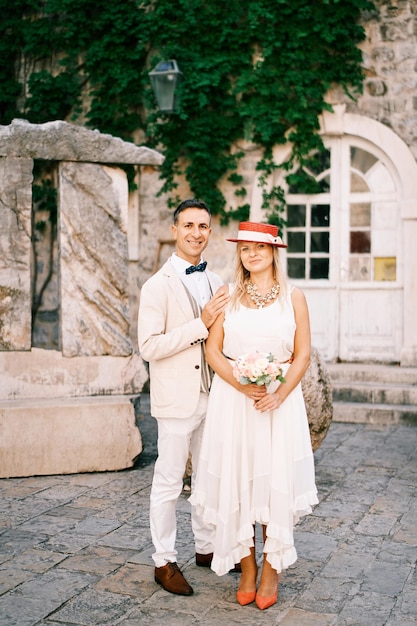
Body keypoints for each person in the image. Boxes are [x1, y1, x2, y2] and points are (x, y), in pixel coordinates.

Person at [190, 221, 318, 610]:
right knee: (239, 481)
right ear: (240, 255)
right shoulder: (226, 295)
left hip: (278, 404)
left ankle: (271, 568)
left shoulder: (294, 297)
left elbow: (303, 354)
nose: (252, 254)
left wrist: (278, 394)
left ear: (274, 251)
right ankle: (245, 567)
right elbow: (214, 352)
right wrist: (242, 385)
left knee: (271, 480)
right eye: (245, 248)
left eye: (260, 247)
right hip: (235, 400)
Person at [137, 198, 230, 596]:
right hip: (176, 399)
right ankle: (164, 560)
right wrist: (200, 324)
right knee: (170, 481)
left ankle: (207, 548)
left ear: (210, 231)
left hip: (214, 396)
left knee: (208, 477)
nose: (196, 233)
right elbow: (149, 346)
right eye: (188, 225)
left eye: (203, 226)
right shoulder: (156, 286)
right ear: (175, 230)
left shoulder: (215, 280)